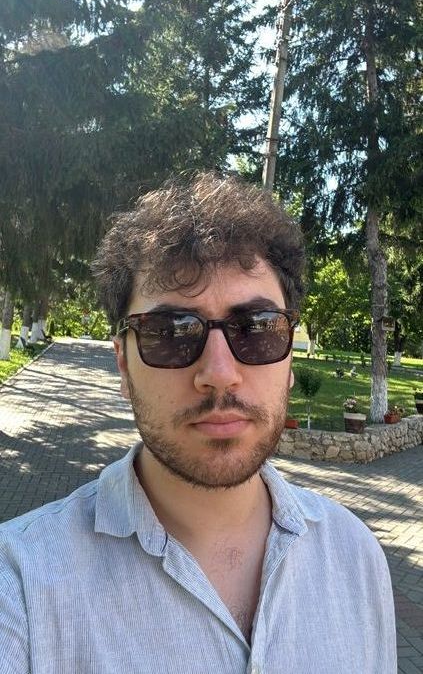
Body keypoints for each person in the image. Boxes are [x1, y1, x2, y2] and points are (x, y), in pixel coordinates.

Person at [0, 173, 396, 673]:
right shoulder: (21, 589)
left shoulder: (355, 556)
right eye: (171, 332)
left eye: (256, 329)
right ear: (123, 365)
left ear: (290, 357)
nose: (219, 373)